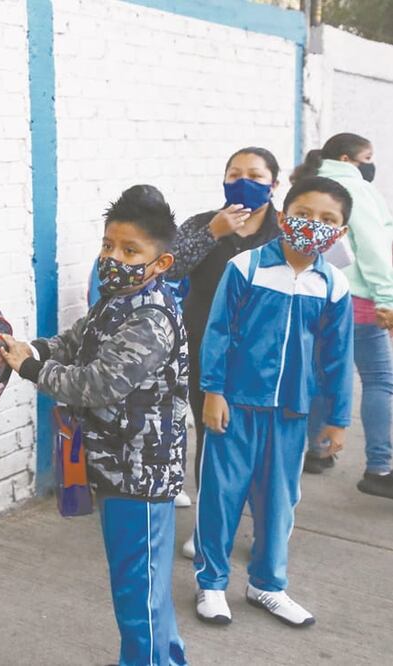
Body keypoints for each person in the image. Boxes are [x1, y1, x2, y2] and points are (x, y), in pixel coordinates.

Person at [2, 185, 188, 666]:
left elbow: (97, 384)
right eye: (108, 245)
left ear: (161, 263)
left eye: (130, 251)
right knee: (144, 585)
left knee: (138, 594)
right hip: (116, 465)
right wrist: (35, 348)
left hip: (140, 476)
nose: (113, 258)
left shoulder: (151, 319)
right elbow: (77, 340)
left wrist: (31, 369)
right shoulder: (117, 301)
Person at [193, 176, 354, 627]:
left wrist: (338, 418)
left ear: (340, 232)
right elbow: (219, 331)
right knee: (221, 497)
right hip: (236, 405)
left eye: (327, 219)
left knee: (279, 503)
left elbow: (337, 357)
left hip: (291, 412)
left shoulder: (333, 284)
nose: (313, 224)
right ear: (284, 217)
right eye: (303, 214)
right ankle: (211, 583)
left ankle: (267, 584)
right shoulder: (246, 267)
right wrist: (213, 390)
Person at [165, 147, 285, 556]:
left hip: (267, 354)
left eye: (255, 174)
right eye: (235, 174)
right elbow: (168, 267)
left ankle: (267, 527)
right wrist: (212, 233)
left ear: (274, 184)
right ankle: (209, 526)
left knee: (265, 445)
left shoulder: (285, 230)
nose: (243, 181)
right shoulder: (203, 223)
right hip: (206, 348)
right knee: (212, 437)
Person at [295, 133, 393, 499]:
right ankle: (380, 467)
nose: (371, 164)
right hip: (359, 299)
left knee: (323, 374)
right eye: (367, 157)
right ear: (347, 159)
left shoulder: (308, 187)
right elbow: (373, 249)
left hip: (316, 294)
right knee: (379, 380)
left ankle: (318, 451)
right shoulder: (357, 191)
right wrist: (388, 298)